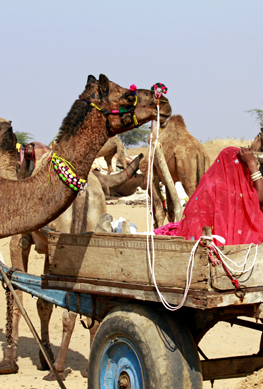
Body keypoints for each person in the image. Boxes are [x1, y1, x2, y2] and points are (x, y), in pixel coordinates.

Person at [154, 147, 263, 245]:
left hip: (209, 239)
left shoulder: (209, 188)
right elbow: (260, 198)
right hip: (226, 242)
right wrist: (252, 164)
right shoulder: (232, 192)